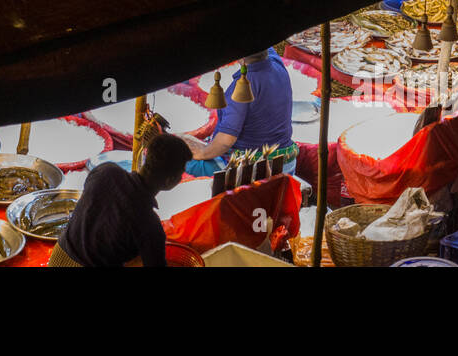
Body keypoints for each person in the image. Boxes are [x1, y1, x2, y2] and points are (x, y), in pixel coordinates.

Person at [48, 132, 192, 267]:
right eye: (181, 173)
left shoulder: (105, 171)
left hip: (58, 258)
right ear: (170, 181)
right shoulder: (149, 226)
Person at [183, 49, 295, 177]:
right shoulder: (275, 62)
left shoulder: (242, 89)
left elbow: (226, 140)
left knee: (183, 161)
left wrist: (202, 152)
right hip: (287, 163)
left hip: (252, 173)